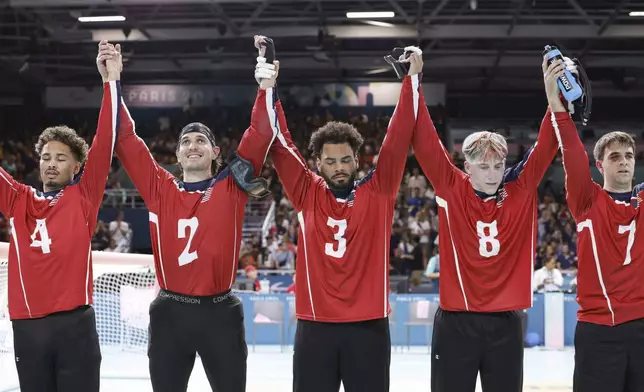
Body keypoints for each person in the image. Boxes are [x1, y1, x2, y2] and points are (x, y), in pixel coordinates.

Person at [254, 35, 424, 392]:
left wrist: (411, 80)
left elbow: (398, 136)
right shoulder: (306, 191)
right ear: (318, 163)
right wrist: (269, 84)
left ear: (357, 160)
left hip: (369, 327)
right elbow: (280, 141)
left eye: (346, 159)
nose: (339, 167)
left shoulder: (379, 190)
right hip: (315, 327)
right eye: (330, 161)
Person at [113, 40, 277, 392]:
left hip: (220, 312)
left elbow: (261, 133)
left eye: (201, 141)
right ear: (177, 153)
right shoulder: (160, 187)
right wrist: (112, 82)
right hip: (170, 312)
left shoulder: (231, 185)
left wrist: (265, 87)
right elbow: (125, 138)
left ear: (216, 152)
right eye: (186, 141)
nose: (192, 145)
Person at [412, 55, 571, 391]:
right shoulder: (451, 186)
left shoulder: (521, 187)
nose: (492, 173)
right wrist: (415, 80)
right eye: (483, 166)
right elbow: (425, 140)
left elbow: (546, 144)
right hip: (456, 321)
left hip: (506, 321)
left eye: (497, 165)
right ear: (466, 166)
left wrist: (553, 98)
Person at [0, 40, 122, 392]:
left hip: (75, 325)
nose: (51, 163)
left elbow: (106, 139)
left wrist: (111, 80)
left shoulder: (83, 195)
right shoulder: (18, 199)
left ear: (76, 165)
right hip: (27, 326)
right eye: (46, 156)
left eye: (61, 157)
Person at [555, 82, 644, 391]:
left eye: (629, 156)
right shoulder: (587, 200)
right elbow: (570, 152)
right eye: (615, 156)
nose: (623, 161)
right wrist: (558, 106)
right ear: (600, 164)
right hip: (598, 329)